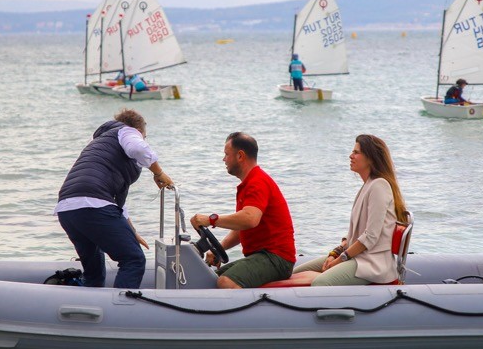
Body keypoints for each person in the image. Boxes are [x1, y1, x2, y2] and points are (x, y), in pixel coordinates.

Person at [55, 108, 174, 289]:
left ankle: (93, 307)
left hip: (67, 209)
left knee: (94, 272)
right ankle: (122, 311)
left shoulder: (103, 144)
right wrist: (159, 173)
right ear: (139, 131)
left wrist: (131, 232)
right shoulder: (126, 131)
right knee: (133, 259)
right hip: (92, 205)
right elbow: (137, 147)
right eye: (144, 137)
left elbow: (117, 205)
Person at [293, 135, 410, 286]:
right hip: (358, 257)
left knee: (321, 282)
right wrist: (334, 253)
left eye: (356, 152)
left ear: (371, 158)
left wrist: (339, 261)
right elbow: (353, 236)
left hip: (372, 263)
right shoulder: (368, 185)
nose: (351, 156)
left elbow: (370, 236)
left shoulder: (379, 186)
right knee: (294, 274)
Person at [190, 132, 296, 289]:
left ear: (240, 156)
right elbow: (242, 228)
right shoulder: (249, 183)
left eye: (226, 154)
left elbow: (249, 219)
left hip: (276, 258)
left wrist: (211, 219)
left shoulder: (257, 182)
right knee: (211, 279)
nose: (223, 159)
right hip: (263, 256)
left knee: (226, 282)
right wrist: (218, 249)